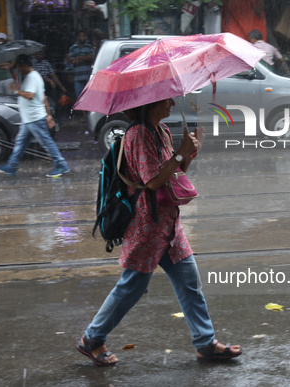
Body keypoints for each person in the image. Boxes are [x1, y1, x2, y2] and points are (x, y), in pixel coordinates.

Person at [77, 98, 242, 366]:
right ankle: (92, 339)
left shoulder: (161, 131)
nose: (172, 103)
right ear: (148, 104)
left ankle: (205, 343)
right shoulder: (138, 134)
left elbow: (173, 176)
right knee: (131, 286)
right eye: (165, 100)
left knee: (189, 282)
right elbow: (152, 181)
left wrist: (187, 153)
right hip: (147, 226)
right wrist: (180, 153)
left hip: (168, 223)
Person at [0, 54, 70, 178]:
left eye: (19, 67)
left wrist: (16, 90)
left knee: (46, 142)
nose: (18, 69)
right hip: (28, 118)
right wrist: (48, 114)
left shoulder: (32, 77)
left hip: (34, 118)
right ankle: (12, 166)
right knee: (20, 143)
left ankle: (61, 165)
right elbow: (43, 97)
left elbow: (30, 95)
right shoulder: (31, 77)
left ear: (24, 65)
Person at [68, 30, 94, 103]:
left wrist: (78, 57)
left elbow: (91, 57)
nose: (84, 38)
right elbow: (72, 61)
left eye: (85, 36)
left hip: (87, 76)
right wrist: (85, 58)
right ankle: (84, 114)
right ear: (78, 37)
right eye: (83, 36)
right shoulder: (72, 48)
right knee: (79, 97)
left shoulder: (89, 46)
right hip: (77, 76)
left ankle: (88, 112)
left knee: (88, 95)